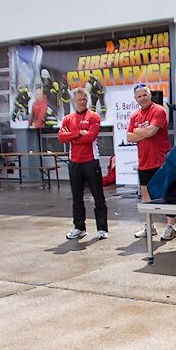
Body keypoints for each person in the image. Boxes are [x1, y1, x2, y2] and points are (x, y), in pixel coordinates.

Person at [58, 88, 108, 240]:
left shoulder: (94, 116)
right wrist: (78, 133)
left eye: (84, 99)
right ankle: (79, 227)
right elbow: (61, 137)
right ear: (75, 100)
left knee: (98, 196)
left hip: (91, 161)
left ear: (87, 99)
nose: (82, 102)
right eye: (79, 99)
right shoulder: (68, 119)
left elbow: (90, 137)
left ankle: (102, 229)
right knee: (77, 197)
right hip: (74, 162)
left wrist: (71, 137)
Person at [126, 83, 175, 240]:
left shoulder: (159, 110)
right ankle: (149, 226)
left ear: (150, 95)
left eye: (145, 95)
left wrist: (138, 132)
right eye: (139, 96)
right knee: (146, 195)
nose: (143, 98)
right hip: (144, 162)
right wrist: (144, 133)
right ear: (135, 98)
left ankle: (170, 227)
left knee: (166, 194)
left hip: (161, 161)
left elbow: (152, 131)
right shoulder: (135, 115)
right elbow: (128, 137)